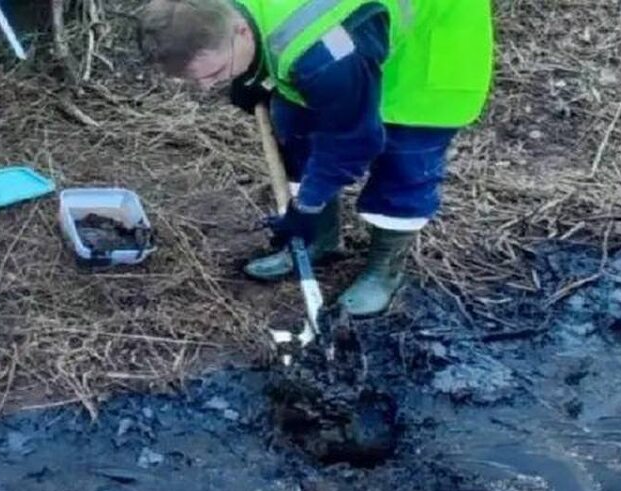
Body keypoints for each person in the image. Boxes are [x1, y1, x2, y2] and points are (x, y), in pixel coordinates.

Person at [137, 0, 493, 316]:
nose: (207, 88)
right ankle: (319, 242)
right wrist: (252, 76)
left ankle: (384, 272)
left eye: (215, 73)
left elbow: (354, 143)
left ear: (241, 30)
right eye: (197, 80)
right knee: (296, 129)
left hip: (423, 54)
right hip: (342, 45)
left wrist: (306, 205)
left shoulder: (322, 54)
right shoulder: (222, 15)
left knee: (403, 167)